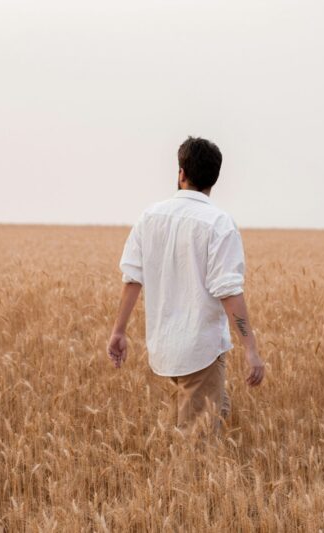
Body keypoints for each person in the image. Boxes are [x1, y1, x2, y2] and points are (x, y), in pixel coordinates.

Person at [106, 136, 265, 435]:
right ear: (214, 179)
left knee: (213, 414)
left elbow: (132, 277)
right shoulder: (218, 223)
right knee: (196, 445)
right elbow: (228, 290)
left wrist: (118, 331)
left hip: (164, 347)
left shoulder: (150, 217)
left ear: (181, 173)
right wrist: (251, 349)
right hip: (200, 350)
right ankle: (183, 478)